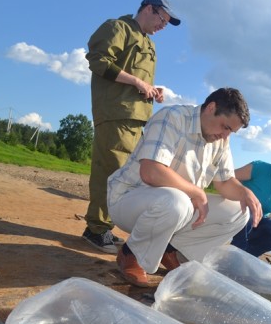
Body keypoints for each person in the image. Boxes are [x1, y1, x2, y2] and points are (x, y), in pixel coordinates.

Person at [107, 87, 263, 287]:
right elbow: (151, 172)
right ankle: (131, 254)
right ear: (211, 107)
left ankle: (172, 252)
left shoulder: (220, 140)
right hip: (130, 200)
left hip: (176, 208)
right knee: (176, 201)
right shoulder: (173, 118)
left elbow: (224, 182)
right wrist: (196, 191)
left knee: (239, 211)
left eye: (231, 132)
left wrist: (245, 193)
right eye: (225, 127)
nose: (225, 136)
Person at [82, 0, 181, 254]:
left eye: (167, 23)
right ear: (149, 9)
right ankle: (95, 229)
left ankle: (105, 227)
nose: (163, 26)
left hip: (137, 118)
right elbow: (98, 60)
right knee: (110, 171)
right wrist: (138, 82)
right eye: (163, 19)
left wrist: (151, 90)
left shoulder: (148, 44)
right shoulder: (119, 28)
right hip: (115, 113)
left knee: (127, 177)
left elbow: (137, 80)